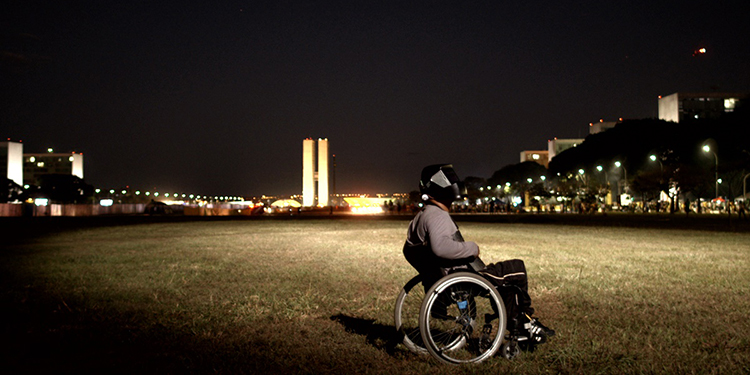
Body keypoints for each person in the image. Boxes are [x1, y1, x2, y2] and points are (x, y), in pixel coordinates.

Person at [403, 164, 555, 345]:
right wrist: (472, 248)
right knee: (517, 269)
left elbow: (409, 250)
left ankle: (520, 322)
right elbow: (440, 248)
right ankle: (524, 322)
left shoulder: (422, 215)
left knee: (504, 283)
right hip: (463, 277)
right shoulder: (437, 215)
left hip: (448, 277)